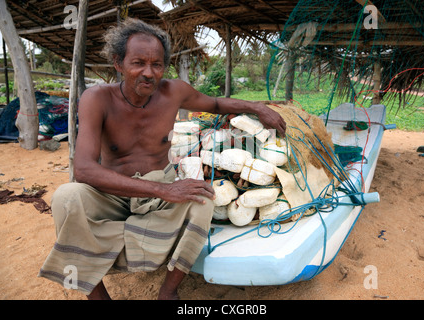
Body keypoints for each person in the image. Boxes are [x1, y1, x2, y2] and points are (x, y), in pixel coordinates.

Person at [39, 18, 286, 300]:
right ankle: (97, 296)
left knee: (203, 200)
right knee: (66, 196)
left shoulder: (174, 92)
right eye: (138, 63)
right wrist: (164, 189)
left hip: (159, 193)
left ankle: (168, 291)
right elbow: (83, 169)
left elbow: (215, 104)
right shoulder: (97, 98)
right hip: (111, 193)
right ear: (118, 63)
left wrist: (256, 107)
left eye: (157, 64)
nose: (149, 72)